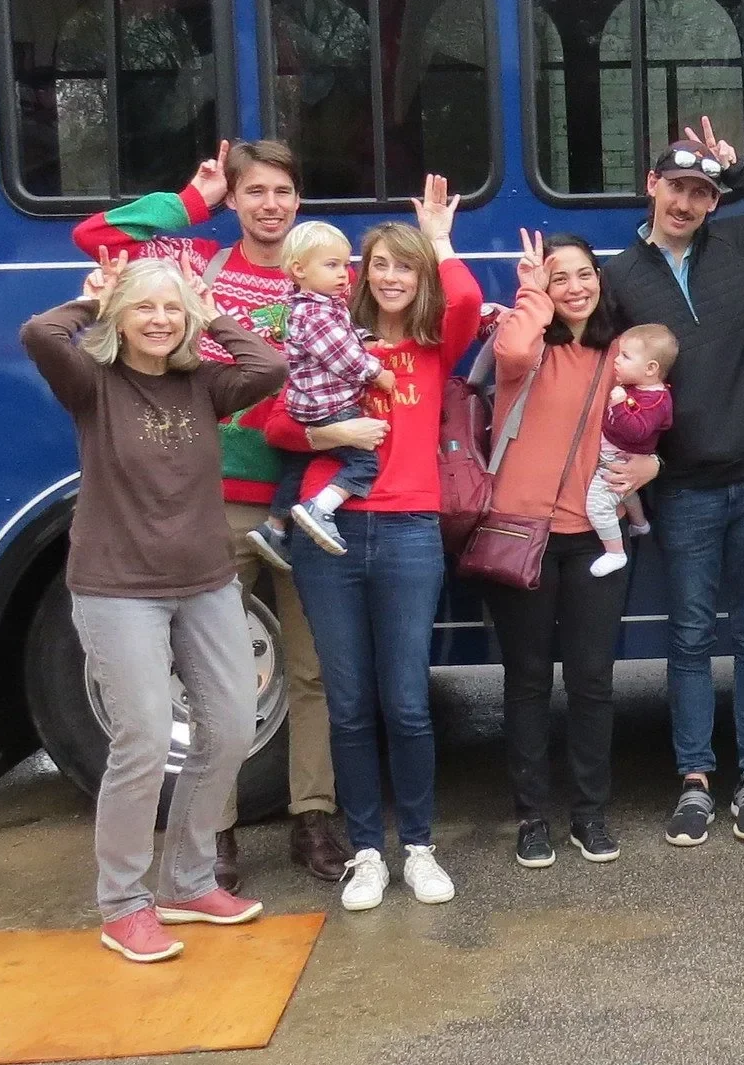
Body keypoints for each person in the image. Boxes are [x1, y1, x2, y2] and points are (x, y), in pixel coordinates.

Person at [72, 137, 349, 890]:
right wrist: (194, 200)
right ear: (238, 200)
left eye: (282, 192)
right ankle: (215, 837)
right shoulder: (196, 267)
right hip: (216, 507)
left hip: (303, 502)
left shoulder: (329, 274)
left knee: (311, 672)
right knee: (213, 687)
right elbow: (96, 238)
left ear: (299, 201)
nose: (270, 205)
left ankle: (314, 818)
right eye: (253, 191)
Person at [21, 251, 286, 962]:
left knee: (230, 727)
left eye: (172, 308)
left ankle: (190, 883)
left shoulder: (204, 383)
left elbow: (268, 370)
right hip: (116, 587)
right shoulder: (92, 383)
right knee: (141, 741)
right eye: (145, 308)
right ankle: (124, 903)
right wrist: (94, 300)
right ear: (122, 319)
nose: (160, 320)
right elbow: (40, 334)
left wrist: (214, 310)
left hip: (204, 583)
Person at [263, 179, 482, 913]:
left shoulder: (431, 348)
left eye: (404, 266)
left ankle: (417, 846)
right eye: (378, 264)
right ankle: (366, 853)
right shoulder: (332, 340)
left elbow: (467, 300)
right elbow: (277, 427)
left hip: (409, 534)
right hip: (328, 535)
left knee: (408, 703)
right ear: (359, 273)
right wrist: (335, 434)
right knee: (349, 706)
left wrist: (442, 241)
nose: (390, 277)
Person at [599, 121, 744, 847]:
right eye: (677, 188)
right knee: (687, 640)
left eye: (700, 193)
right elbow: (601, 383)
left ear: (713, 201)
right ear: (652, 187)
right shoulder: (619, 275)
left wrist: (740, 171)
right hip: (681, 486)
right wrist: (645, 463)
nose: (686, 203)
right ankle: (694, 781)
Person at [481, 232, 634, 869]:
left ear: (600, 279)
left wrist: (647, 465)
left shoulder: (621, 351)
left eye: (583, 274)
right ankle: (532, 818)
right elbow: (514, 343)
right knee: (527, 682)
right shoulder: (523, 348)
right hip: (523, 534)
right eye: (559, 277)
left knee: (593, 681)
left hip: (596, 538)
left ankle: (589, 815)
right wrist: (531, 293)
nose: (574, 287)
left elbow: (651, 417)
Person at [247, 220, 392, 567]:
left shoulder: (318, 305)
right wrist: (378, 373)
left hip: (305, 405)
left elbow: (343, 332)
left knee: (297, 465)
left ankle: (274, 526)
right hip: (330, 407)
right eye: (332, 265)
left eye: (346, 265)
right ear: (299, 269)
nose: (344, 274)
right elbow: (342, 356)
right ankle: (320, 508)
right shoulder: (315, 312)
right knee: (365, 461)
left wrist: (365, 337)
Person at [585, 323, 676, 578]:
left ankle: (615, 552)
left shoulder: (656, 400)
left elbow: (637, 431)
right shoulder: (641, 388)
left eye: (625, 356)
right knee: (627, 492)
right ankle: (640, 524)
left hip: (617, 459)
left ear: (651, 369)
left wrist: (618, 404)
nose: (617, 360)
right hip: (621, 458)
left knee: (598, 505)